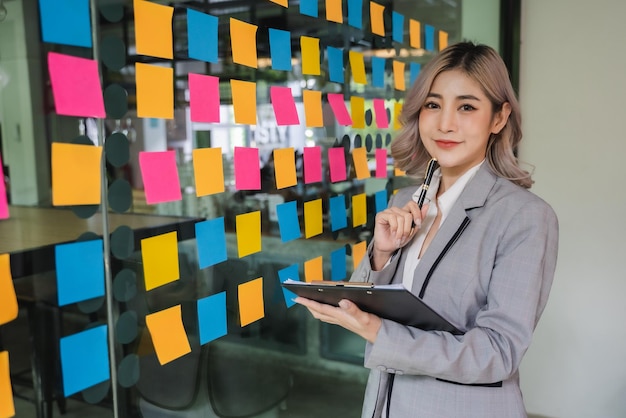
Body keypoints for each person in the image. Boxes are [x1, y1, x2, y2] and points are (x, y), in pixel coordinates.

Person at [294, 41, 559, 418]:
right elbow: (371, 299)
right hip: (384, 406)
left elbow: (498, 353)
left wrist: (379, 332)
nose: (445, 123)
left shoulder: (524, 217)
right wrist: (382, 252)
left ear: (499, 119)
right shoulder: (404, 198)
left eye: (467, 107)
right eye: (433, 105)